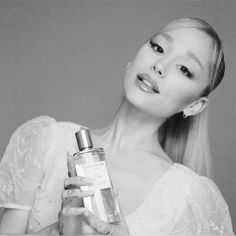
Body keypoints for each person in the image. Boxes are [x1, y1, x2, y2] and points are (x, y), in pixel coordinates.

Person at [0, 17, 234, 235]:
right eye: (158, 48)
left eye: (184, 69)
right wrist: (57, 231)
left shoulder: (191, 198)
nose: (160, 65)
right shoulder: (44, 142)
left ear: (195, 106)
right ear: (133, 60)